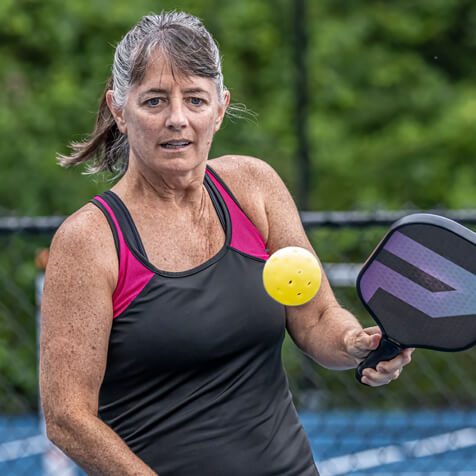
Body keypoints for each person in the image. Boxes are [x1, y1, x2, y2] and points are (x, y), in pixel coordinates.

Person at [39, 11, 413, 476]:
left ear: (220, 107)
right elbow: (68, 418)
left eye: (195, 99)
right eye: (154, 101)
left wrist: (354, 342)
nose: (177, 119)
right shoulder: (89, 241)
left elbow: (316, 317)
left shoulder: (254, 187)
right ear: (119, 109)